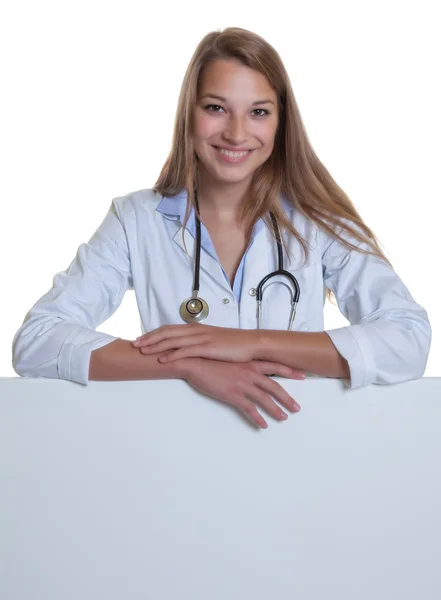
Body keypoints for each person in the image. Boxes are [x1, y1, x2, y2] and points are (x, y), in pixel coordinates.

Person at [11, 27, 431, 429]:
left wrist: (252, 343)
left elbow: (408, 340)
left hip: (305, 458)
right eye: (216, 108)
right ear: (188, 114)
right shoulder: (135, 219)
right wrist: (187, 365)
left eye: (259, 113)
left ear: (280, 123)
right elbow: (37, 341)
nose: (235, 132)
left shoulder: (318, 221)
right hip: (179, 462)